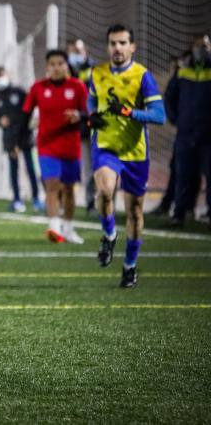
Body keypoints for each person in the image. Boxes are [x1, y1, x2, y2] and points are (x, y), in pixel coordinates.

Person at [87, 24, 165, 287]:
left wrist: (129, 113)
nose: (117, 48)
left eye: (122, 43)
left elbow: (159, 116)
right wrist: (91, 118)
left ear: (132, 47)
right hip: (106, 147)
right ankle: (109, 234)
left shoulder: (143, 76)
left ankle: (130, 265)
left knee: (134, 212)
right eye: (113, 43)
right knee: (106, 191)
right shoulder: (96, 73)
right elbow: (91, 102)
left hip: (135, 152)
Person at [22, 50, 88, 244]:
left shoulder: (77, 87)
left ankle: (68, 228)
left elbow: (89, 113)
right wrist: (20, 139)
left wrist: (79, 116)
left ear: (67, 66)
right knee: (51, 184)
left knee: (68, 189)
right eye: (52, 64)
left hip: (70, 147)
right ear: (47, 67)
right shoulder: (38, 87)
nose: (56, 67)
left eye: (60, 63)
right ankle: (54, 227)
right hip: (46, 146)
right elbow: (26, 113)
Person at [164, 34, 211, 228]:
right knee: (182, 174)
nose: (202, 49)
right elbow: (169, 97)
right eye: (199, 45)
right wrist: (175, 119)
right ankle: (179, 213)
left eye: (206, 46)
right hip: (185, 133)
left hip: (208, 135)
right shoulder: (183, 71)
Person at [0, 66, 42, 213]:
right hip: (10, 140)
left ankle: (37, 198)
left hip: (25, 138)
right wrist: (0, 121)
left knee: (31, 169)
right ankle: (17, 199)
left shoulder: (19, 92)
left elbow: (28, 113)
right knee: (13, 170)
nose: (0, 78)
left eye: (2, 74)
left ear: (7, 75)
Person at [67, 38, 98, 214]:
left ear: (85, 52)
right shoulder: (64, 71)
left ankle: (91, 203)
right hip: (68, 129)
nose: (75, 55)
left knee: (92, 168)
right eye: (73, 51)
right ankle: (63, 201)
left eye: (78, 51)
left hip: (89, 128)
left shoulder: (94, 71)